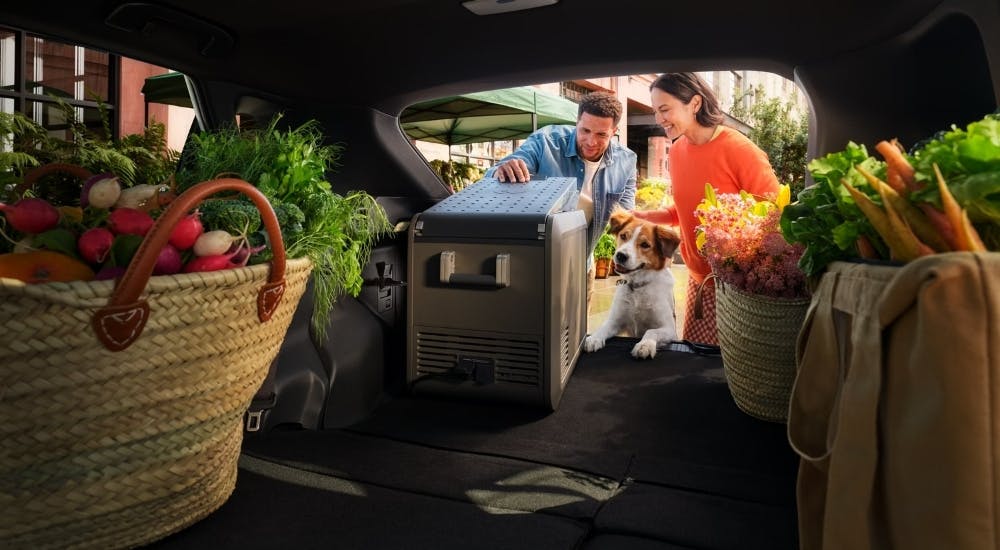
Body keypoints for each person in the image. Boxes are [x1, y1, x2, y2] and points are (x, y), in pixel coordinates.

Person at [633, 73, 779, 345]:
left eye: (665, 109)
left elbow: (774, 216)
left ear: (695, 103)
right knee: (696, 365)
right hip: (698, 279)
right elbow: (684, 211)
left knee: (731, 373)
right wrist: (640, 216)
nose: (658, 119)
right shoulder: (676, 152)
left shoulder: (740, 149)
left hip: (739, 288)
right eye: (655, 111)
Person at [485, 91, 637, 311]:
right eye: (585, 130)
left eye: (602, 134)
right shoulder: (545, 141)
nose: (591, 141)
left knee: (575, 338)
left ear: (614, 131)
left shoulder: (627, 161)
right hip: (533, 263)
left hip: (581, 265)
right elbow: (493, 177)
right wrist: (502, 170)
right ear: (577, 122)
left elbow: (627, 219)